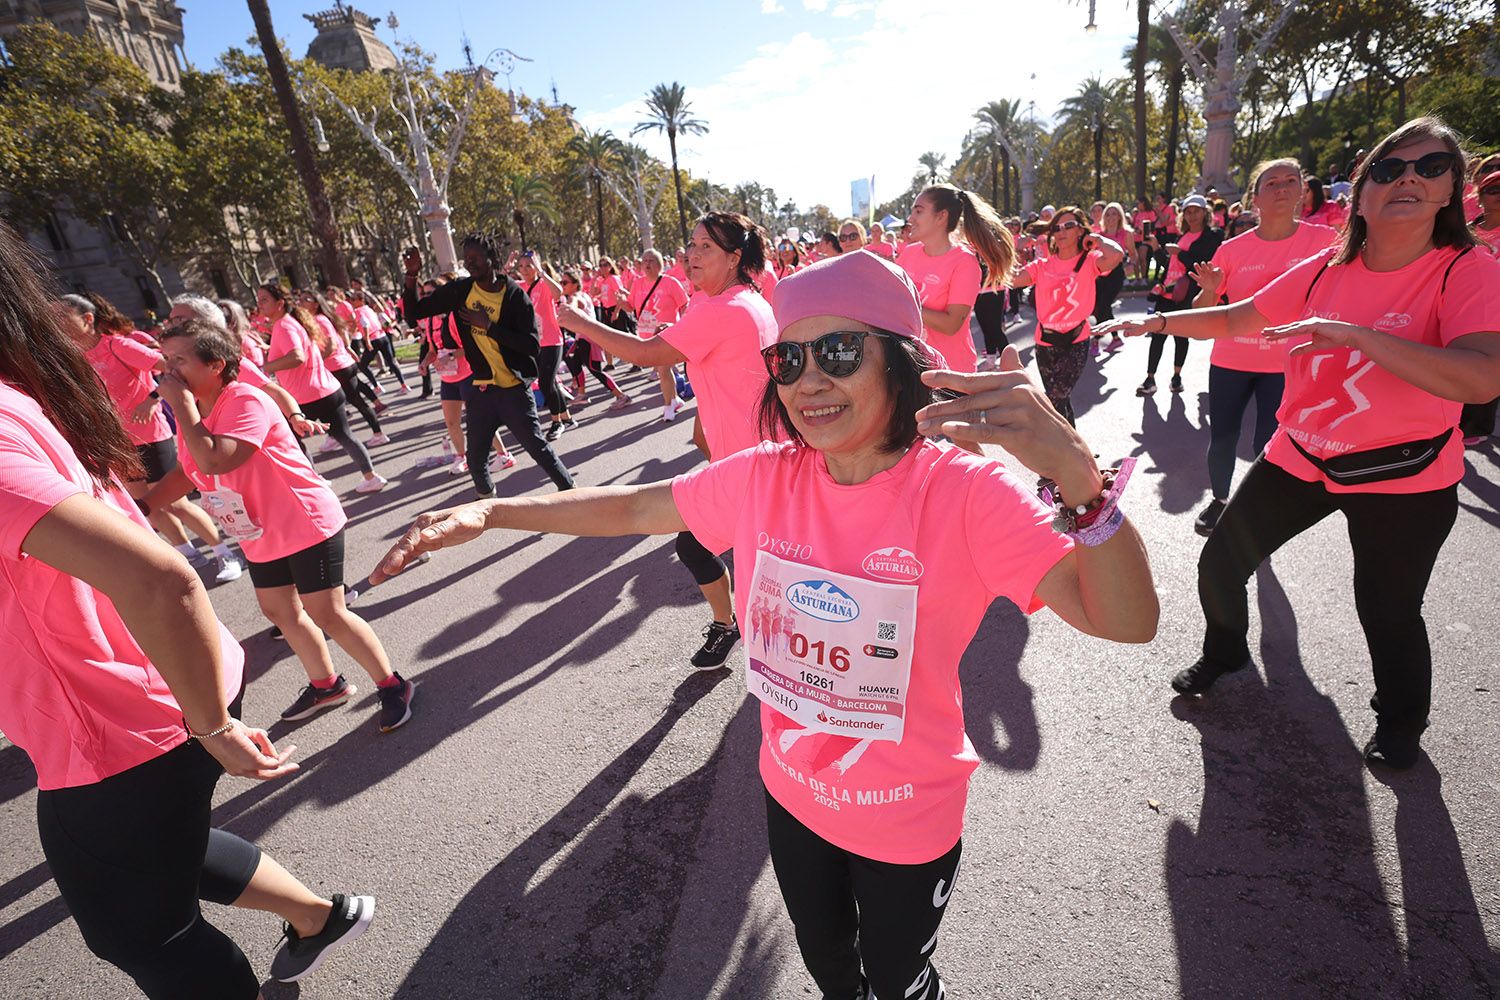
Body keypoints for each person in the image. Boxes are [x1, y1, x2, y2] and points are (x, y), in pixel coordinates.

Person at [375, 249, 1157, 1000]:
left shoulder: (964, 491)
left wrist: (1082, 483)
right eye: (788, 361)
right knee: (832, 977)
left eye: (840, 353)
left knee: (899, 982)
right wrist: (490, 510)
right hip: (791, 796)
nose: (808, 380)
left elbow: (1124, 622)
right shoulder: (763, 477)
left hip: (905, 815)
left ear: (899, 360)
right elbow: (633, 506)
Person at [0, 227, 377, 996]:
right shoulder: (21, 388)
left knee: (134, 929)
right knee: (168, 850)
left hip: (122, 718)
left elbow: (161, 580)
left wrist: (211, 724)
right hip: (145, 693)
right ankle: (319, 916)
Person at [1098, 116, 1500, 769]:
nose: (1407, 179)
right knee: (1221, 563)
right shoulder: (1325, 268)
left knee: (1388, 611)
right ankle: (1227, 650)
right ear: (1361, 192)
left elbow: (1483, 377)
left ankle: (1401, 722)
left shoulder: (1467, 269)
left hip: (1406, 472)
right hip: (1302, 452)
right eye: (1389, 168)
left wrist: (1361, 337)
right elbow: (1235, 317)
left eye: (1429, 168)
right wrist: (1156, 320)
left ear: (1453, 189)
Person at [142, 317, 417, 730]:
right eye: (167, 359)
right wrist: (143, 506)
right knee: (279, 610)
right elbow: (190, 470)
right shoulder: (197, 412)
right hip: (258, 529)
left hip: (304, 521)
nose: (169, 371)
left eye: (179, 360)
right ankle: (327, 685)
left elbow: (217, 458)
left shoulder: (244, 401)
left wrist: (179, 407)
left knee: (327, 612)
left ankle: (393, 684)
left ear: (215, 364)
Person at [556, 211, 779, 670]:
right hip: (751, 458)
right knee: (704, 546)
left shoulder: (724, 309)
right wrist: (705, 432)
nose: (692, 255)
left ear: (735, 258)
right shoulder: (740, 300)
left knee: (724, 552)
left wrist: (582, 322)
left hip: (755, 465)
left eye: (706, 248)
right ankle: (737, 629)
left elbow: (643, 355)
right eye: (691, 245)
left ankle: (766, 648)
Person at [1185, 159, 1338, 535]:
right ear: (1256, 197)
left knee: (1269, 443)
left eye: (1290, 181)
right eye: (1271, 183)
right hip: (1231, 361)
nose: (1282, 188)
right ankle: (1220, 501)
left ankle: (1255, 509)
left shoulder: (1324, 242)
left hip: (1287, 364)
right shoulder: (1232, 251)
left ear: (1303, 191)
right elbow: (1200, 315)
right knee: (1223, 436)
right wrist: (1209, 289)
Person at [54, 294, 246, 584]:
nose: (56, 323)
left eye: (61, 316)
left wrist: (152, 398)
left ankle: (224, 551)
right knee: (144, 503)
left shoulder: (117, 346)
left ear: (88, 319)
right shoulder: (75, 358)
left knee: (174, 501)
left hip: (151, 435)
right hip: (119, 441)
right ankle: (188, 554)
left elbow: (169, 367)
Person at [400, 234, 575, 499]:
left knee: (538, 448)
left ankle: (572, 496)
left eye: (475, 258)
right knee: (475, 458)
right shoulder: (461, 290)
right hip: (481, 392)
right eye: (466, 258)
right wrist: (411, 276)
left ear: (492, 259)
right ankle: (488, 505)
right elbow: (414, 314)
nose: (470, 263)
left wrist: (490, 327)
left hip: (513, 391)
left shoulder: (515, 296)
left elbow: (531, 346)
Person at [258, 283, 387, 494]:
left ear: (280, 303)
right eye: (259, 299)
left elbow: (297, 356)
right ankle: (372, 478)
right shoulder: (293, 323)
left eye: (264, 299)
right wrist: (270, 351)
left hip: (306, 397)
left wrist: (266, 367)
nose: (259, 304)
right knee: (345, 436)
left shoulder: (284, 325)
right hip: (328, 390)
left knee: (292, 441)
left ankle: (315, 484)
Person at [1006, 207, 1126, 426]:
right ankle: (1075, 449)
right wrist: (1014, 248)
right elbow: (1011, 279)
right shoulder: (1042, 265)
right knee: (1059, 402)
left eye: (1069, 226)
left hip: (1076, 341)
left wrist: (1096, 239)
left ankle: (1064, 450)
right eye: (1057, 227)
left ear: (1080, 231)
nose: (1061, 231)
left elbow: (1117, 255)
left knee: (1056, 397)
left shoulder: (1090, 261)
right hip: (1045, 342)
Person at [895, 183, 1016, 381]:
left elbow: (951, 324)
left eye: (918, 211)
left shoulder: (964, 262)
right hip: (912, 366)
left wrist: (903, 305)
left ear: (941, 216)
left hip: (951, 372)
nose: (910, 219)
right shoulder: (909, 253)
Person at [1137, 194, 1224, 396]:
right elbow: (1168, 265)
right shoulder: (1181, 236)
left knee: (1180, 337)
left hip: (1186, 295)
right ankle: (1150, 379)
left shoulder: (1212, 235)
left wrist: (1180, 253)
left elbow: (1203, 262)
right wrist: (1157, 248)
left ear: (1205, 212)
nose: (1192, 215)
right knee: (1157, 336)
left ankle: (1177, 377)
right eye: (1188, 211)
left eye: (1196, 211)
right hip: (1167, 293)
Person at [298, 289, 387, 446]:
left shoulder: (320, 319)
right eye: (301, 299)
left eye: (306, 299)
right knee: (333, 405)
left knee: (353, 401)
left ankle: (376, 434)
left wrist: (314, 361)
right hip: (341, 365)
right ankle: (334, 437)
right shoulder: (320, 319)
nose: (301, 302)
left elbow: (331, 344)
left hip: (338, 367)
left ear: (316, 303)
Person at [627, 248, 692, 423]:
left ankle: (668, 405)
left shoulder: (670, 282)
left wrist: (679, 326)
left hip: (666, 334)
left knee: (663, 370)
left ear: (660, 265)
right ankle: (674, 399)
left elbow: (686, 305)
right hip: (646, 336)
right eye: (644, 260)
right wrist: (620, 303)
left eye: (651, 260)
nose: (647, 264)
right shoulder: (638, 283)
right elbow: (630, 305)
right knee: (664, 370)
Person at [1460, 168, 1500, 445]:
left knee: (1488, 368)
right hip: (1467, 308)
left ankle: (1475, 427)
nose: (1499, 196)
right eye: (1493, 190)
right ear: (1480, 196)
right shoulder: (1466, 231)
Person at [350, 288, 410, 394]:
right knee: (391, 362)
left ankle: (376, 386)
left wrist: (367, 340)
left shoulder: (358, 311)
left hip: (373, 339)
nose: (351, 301)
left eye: (353, 299)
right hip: (382, 336)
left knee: (362, 365)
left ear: (361, 300)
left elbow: (365, 324)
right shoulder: (369, 309)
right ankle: (404, 385)